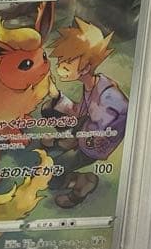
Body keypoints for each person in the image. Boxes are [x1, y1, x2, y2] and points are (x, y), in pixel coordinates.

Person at [42, 17, 128, 208]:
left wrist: (69, 139)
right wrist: (56, 95)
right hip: (86, 128)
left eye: (67, 64)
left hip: (94, 145)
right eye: (62, 62)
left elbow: (99, 130)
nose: (61, 68)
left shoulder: (107, 96)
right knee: (49, 107)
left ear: (86, 67)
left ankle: (82, 183)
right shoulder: (91, 84)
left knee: (52, 176)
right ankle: (66, 141)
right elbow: (80, 111)